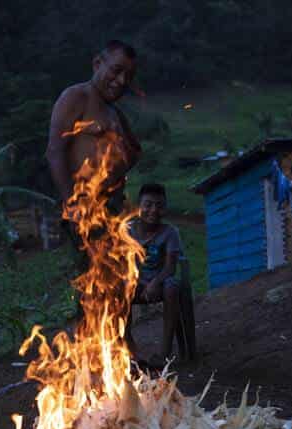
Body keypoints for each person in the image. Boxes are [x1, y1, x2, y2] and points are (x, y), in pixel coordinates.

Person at [45, 40, 142, 278]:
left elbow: (135, 152)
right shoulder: (77, 96)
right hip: (86, 209)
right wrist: (73, 204)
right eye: (116, 70)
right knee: (93, 283)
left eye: (128, 76)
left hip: (113, 209)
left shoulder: (115, 113)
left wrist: (117, 165)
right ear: (97, 63)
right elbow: (54, 151)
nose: (121, 81)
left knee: (118, 282)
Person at [125, 183, 183, 367]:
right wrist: (133, 283)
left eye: (159, 205)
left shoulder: (170, 233)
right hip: (133, 286)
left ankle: (164, 353)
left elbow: (170, 267)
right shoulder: (126, 230)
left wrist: (154, 283)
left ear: (164, 208)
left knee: (172, 286)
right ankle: (132, 353)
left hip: (159, 285)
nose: (153, 210)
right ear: (139, 207)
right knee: (116, 292)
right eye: (148, 204)